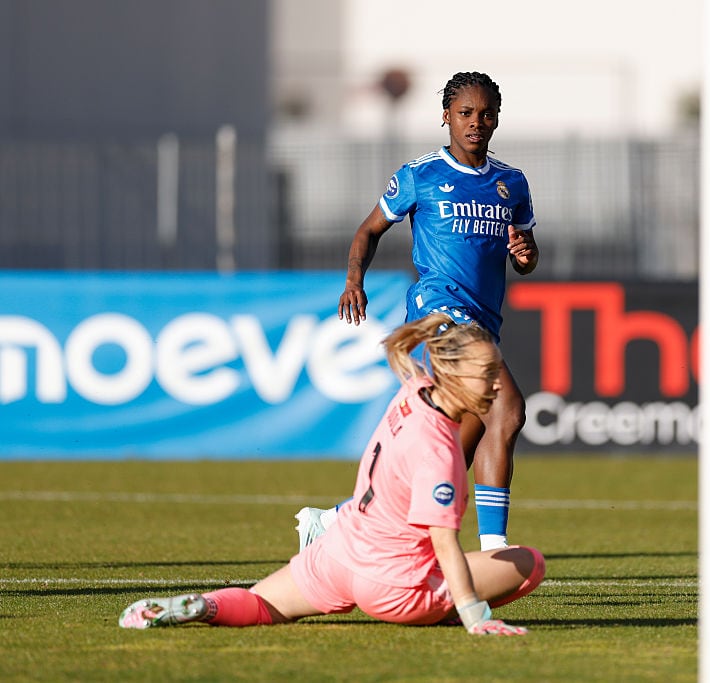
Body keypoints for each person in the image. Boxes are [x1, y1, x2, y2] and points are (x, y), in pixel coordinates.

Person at [119, 314, 544, 635]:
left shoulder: (412, 392)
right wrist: (473, 615)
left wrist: (429, 329)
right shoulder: (440, 452)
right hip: (394, 587)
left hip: (338, 553)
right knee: (531, 563)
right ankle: (448, 612)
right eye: (486, 376)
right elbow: (445, 544)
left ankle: (201, 605)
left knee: (263, 603)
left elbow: (405, 360)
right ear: (451, 375)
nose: (495, 386)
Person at [295, 71, 539, 553]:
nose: (476, 122)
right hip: (438, 311)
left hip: (484, 322)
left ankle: (339, 521)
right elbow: (369, 231)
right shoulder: (420, 175)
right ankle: (494, 550)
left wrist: (526, 255)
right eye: (466, 113)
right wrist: (353, 279)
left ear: (497, 119)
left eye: (485, 114)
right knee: (507, 408)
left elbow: (526, 257)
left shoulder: (512, 184)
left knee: (455, 443)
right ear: (446, 117)